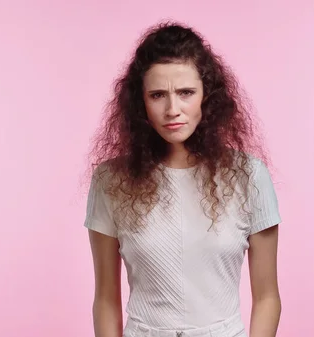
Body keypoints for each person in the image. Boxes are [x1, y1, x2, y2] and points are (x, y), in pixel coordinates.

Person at [83, 21, 283, 337]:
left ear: (207, 96)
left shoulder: (249, 176)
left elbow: (268, 296)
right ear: (141, 103)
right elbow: (106, 299)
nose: (172, 109)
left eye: (186, 93)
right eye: (158, 94)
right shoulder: (111, 180)